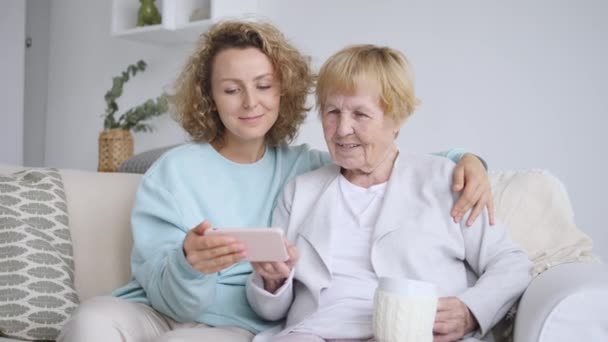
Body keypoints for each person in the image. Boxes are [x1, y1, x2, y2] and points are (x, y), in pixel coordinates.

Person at [58, 22, 493, 342]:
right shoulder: (173, 172)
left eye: (263, 85)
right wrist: (190, 265)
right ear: (210, 99)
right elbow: (169, 297)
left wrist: (467, 161)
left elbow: (381, 159)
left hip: (240, 325)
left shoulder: (307, 169)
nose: (250, 102)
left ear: (282, 90)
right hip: (158, 308)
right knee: (90, 321)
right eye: (232, 90)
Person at [246, 44, 532, 342]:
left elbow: (512, 263)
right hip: (313, 332)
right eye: (332, 112)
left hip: (410, 331)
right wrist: (272, 280)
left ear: (395, 119)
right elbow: (270, 310)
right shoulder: (300, 191)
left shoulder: (446, 180)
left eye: (360, 114)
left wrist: (471, 310)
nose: (342, 129)